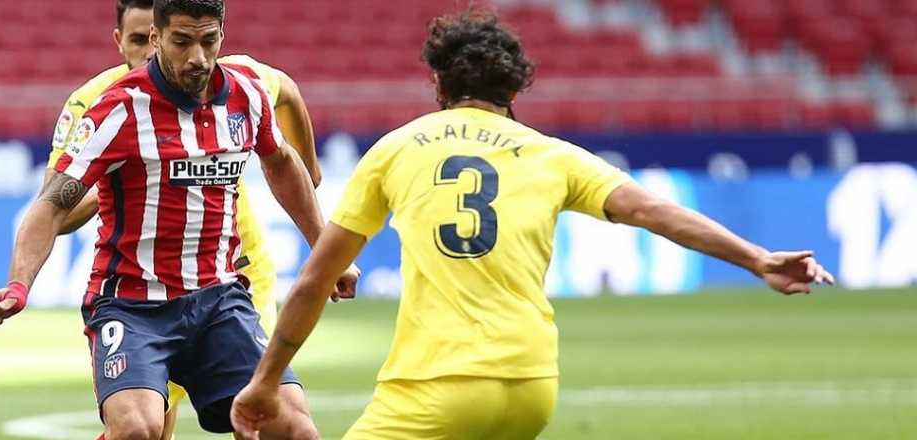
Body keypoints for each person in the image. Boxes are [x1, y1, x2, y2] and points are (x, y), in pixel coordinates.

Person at [231, 9, 835, 440]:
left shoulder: (396, 150)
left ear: (438, 82)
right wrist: (757, 258)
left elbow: (314, 281)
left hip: (437, 385)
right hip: (530, 386)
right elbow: (656, 213)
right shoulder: (552, 154)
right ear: (516, 86)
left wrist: (267, 380)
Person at [0, 1, 357, 439]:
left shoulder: (246, 93)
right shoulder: (118, 109)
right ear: (157, 40)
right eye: (182, 41)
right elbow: (51, 203)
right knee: (140, 428)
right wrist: (19, 286)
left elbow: (282, 162)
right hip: (133, 305)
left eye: (209, 41)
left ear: (222, 37)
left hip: (220, 299)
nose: (198, 57)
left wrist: (328, 252)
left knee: (293, 427)